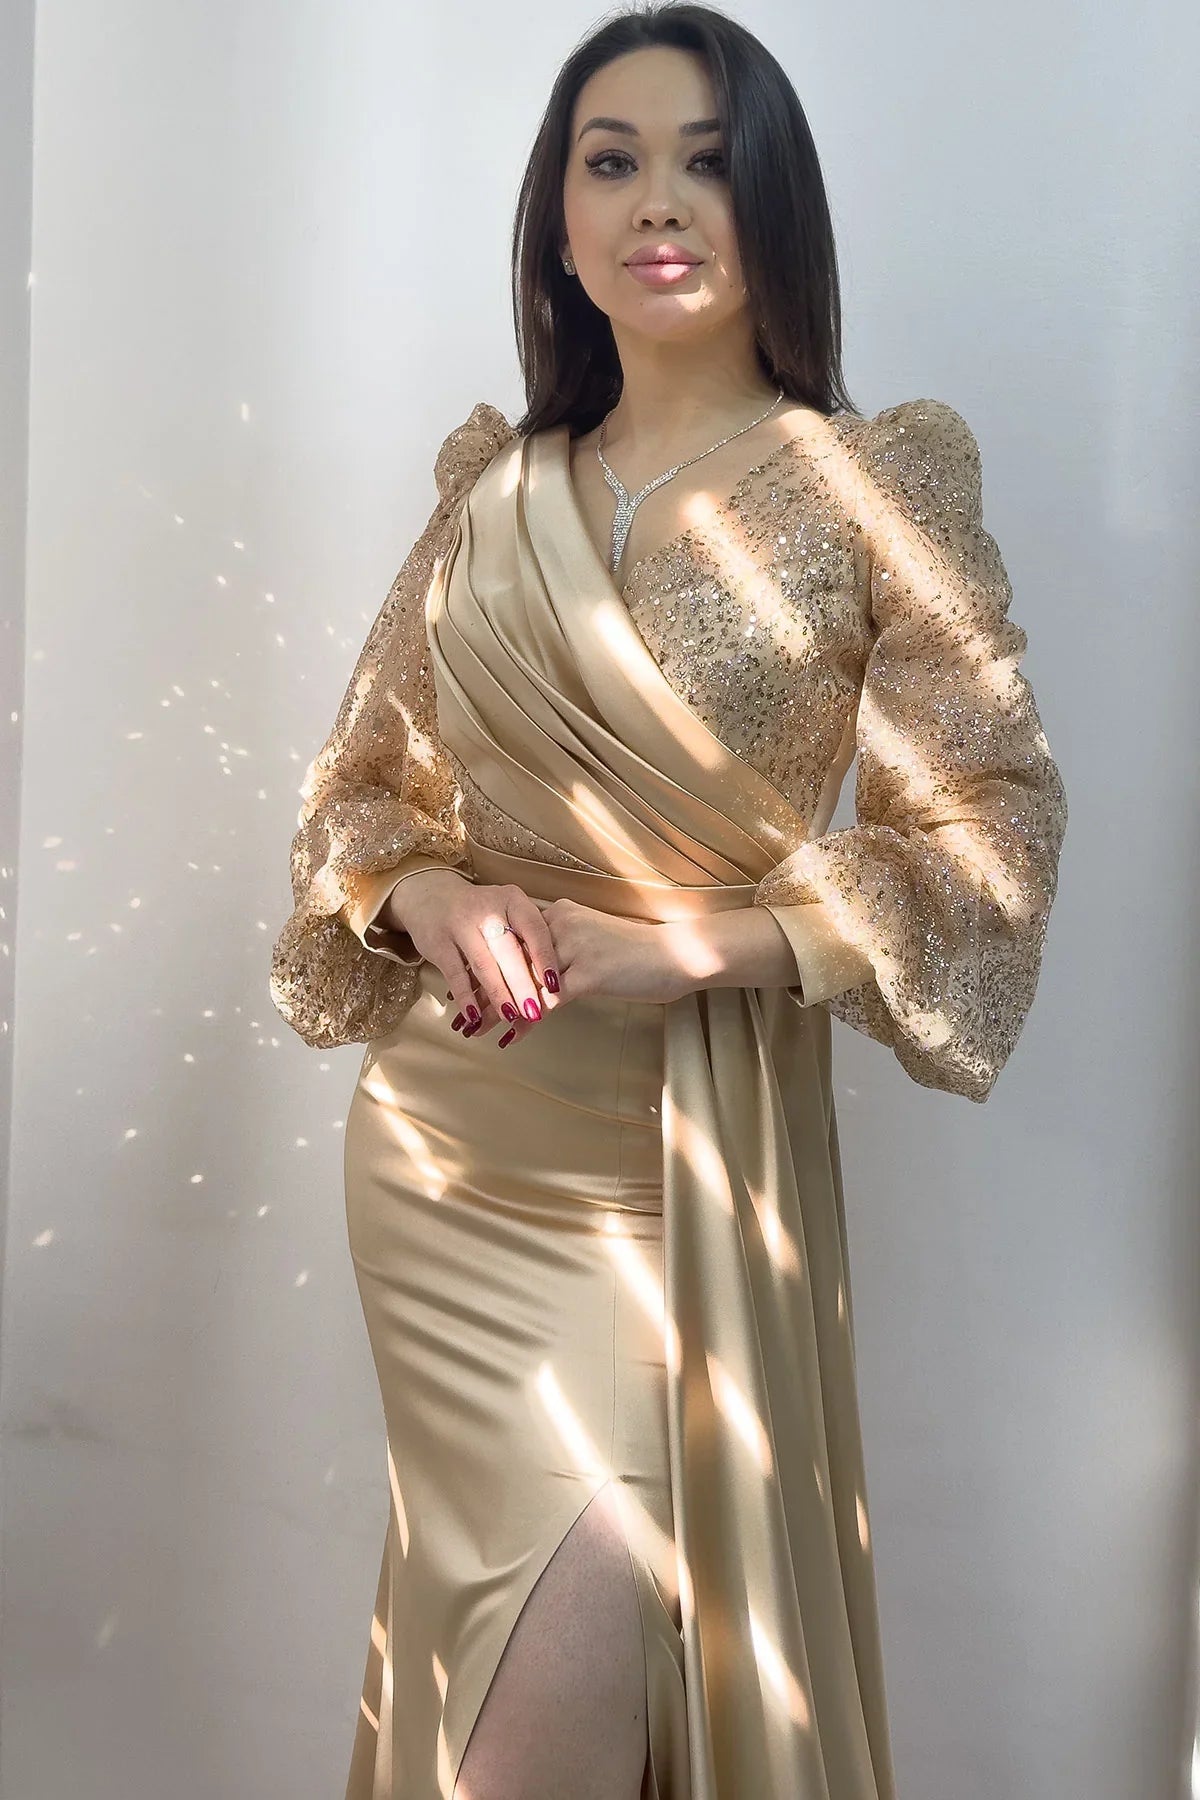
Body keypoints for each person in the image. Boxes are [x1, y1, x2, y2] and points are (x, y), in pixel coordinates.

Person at [268, 7, 1069, 1797]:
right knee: (495, 1690)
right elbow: (355, 796)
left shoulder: (874, 486)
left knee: (548, 1717)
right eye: (610, 160)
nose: (657, 200)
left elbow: (991, 827)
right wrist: (431, 894)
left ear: (777, 202)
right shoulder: (492, 494)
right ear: (558, 220)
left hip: (682, 1158)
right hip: (453, 1150)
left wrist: (700, 943)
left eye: (708, 160)